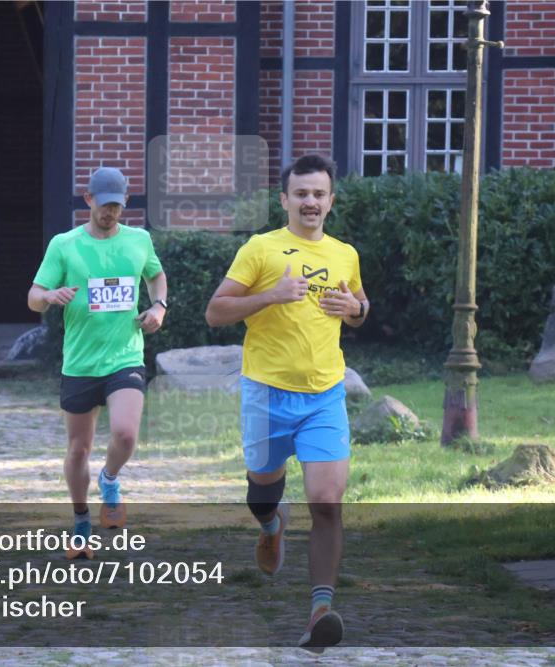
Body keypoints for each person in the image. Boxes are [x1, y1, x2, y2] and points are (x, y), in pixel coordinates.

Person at [204, 154, 369, 652]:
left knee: (326, 501)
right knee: (262, 493)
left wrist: (356, 309)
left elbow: (359, 305)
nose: (311, 202)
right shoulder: (261, 249)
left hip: (324, 396)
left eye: (319, 194)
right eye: (301, 194)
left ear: (331, 201)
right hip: (267, 393)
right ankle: (272, 526)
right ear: (285, 200)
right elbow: (216, 312)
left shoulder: (345, 254)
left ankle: (321, 609)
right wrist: (270, 295)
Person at [28, 167, 167, 559]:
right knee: (77, 450)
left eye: (118, 207)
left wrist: (159, 306)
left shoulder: (139, 240)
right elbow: (33, 295)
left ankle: (110, 481)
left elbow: (156, 277)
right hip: (81, 363)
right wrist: (49, 295)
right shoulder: (65, 245)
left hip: (125, 355)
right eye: (105, 206)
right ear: (88, 200)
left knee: (124, 435)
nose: (111, 214)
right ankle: (81, 522)